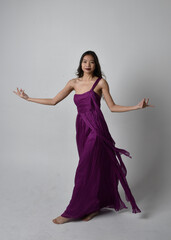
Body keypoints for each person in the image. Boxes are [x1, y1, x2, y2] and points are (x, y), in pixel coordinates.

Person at [13, 50, 154, 224]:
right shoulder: (73, 83)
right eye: (85, 61)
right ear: (81, 64)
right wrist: (28, 98)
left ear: (96, 65)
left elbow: (113, 107)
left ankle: (71, 212)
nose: (88, 64)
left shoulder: (101, 83)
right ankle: (94, 206)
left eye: (92, 62)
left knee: (84, 168)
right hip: (81, 128)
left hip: (97, 128)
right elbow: (53, 101)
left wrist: (136, 107)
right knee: (93, 168)